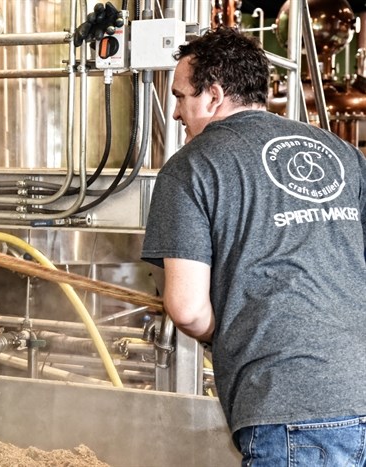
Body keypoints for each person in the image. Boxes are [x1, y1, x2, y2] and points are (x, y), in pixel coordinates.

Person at [140, 27, 366, 466]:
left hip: (289, 407)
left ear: (213, 94)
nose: (176, 113)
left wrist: (233, 335)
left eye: (180, 97)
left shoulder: (191, 167)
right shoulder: (343, 153)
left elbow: (186, 308)